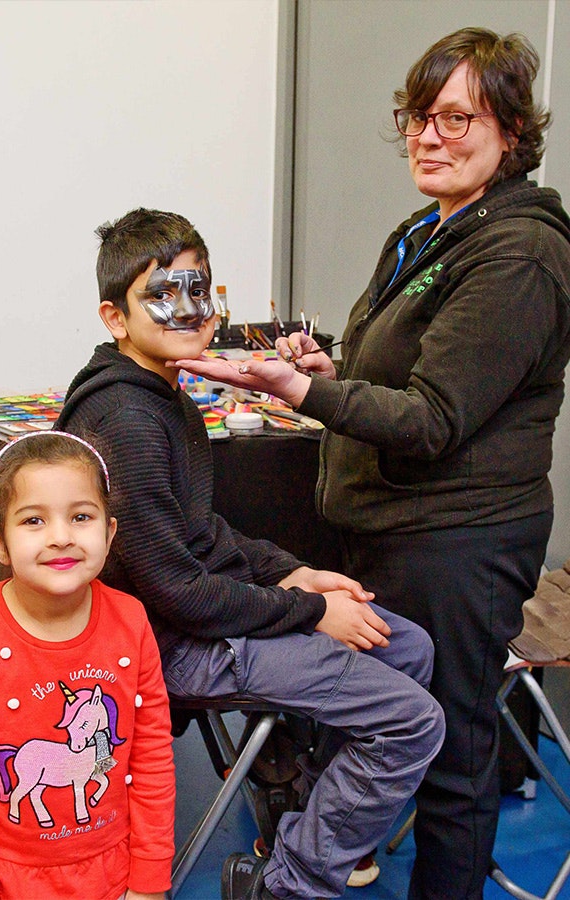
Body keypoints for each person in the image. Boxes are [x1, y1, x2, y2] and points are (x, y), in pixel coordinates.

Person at [174, 27, 570, 900]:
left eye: (458, 118)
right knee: (396, 726)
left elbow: (433, 419)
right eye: (420, 117)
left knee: (455, 758)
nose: (430, 138)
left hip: (458, 541)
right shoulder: (422, 231)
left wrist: (301, 392)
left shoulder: (521, 252)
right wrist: (333, 373)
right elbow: (403, 374)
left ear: (510, 130)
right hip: (389, 527)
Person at [55, 207, 445, 899]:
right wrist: (306, 610)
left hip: (204, 616)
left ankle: (306, 817)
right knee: (414, 720)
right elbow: (177, 591)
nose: (187, 309)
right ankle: (290, 883)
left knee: (407, 646)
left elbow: (203, 530)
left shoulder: (165, 393)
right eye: (162, 294)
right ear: (115, 318)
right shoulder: (126, 417)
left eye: (198, 289)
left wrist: (292, 571)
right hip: (173, 643)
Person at [0, 431, 175, 900]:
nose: (61, 537)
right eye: (33, 520)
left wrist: (148, 878)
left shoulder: (131, 620)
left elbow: (151, 757)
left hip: (113, 869)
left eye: (81, 517)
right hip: (10, 880)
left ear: (109, 532)